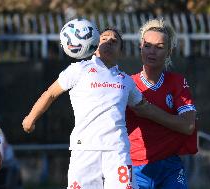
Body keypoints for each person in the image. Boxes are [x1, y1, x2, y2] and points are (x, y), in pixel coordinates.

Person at [22, 27, 147, 189]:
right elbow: (50, 94)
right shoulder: (78, 69)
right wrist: (31, 117)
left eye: (114, 41)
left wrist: (174, 121)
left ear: (120, 52)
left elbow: (144, 108)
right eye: (104, 39)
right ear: (95, 46)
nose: (109, 42)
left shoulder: (126, 80)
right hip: (85, 149)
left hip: (117, 151)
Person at [126, 18, 198, 189]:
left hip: (169, 166)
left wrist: (150, 111)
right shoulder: (126, 84)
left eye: (159, 47)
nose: (152, 51)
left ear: (168, 52)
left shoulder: (177, 82)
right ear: (140, 47)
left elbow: (188, 125)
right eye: (148, 45)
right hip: (135, 167)